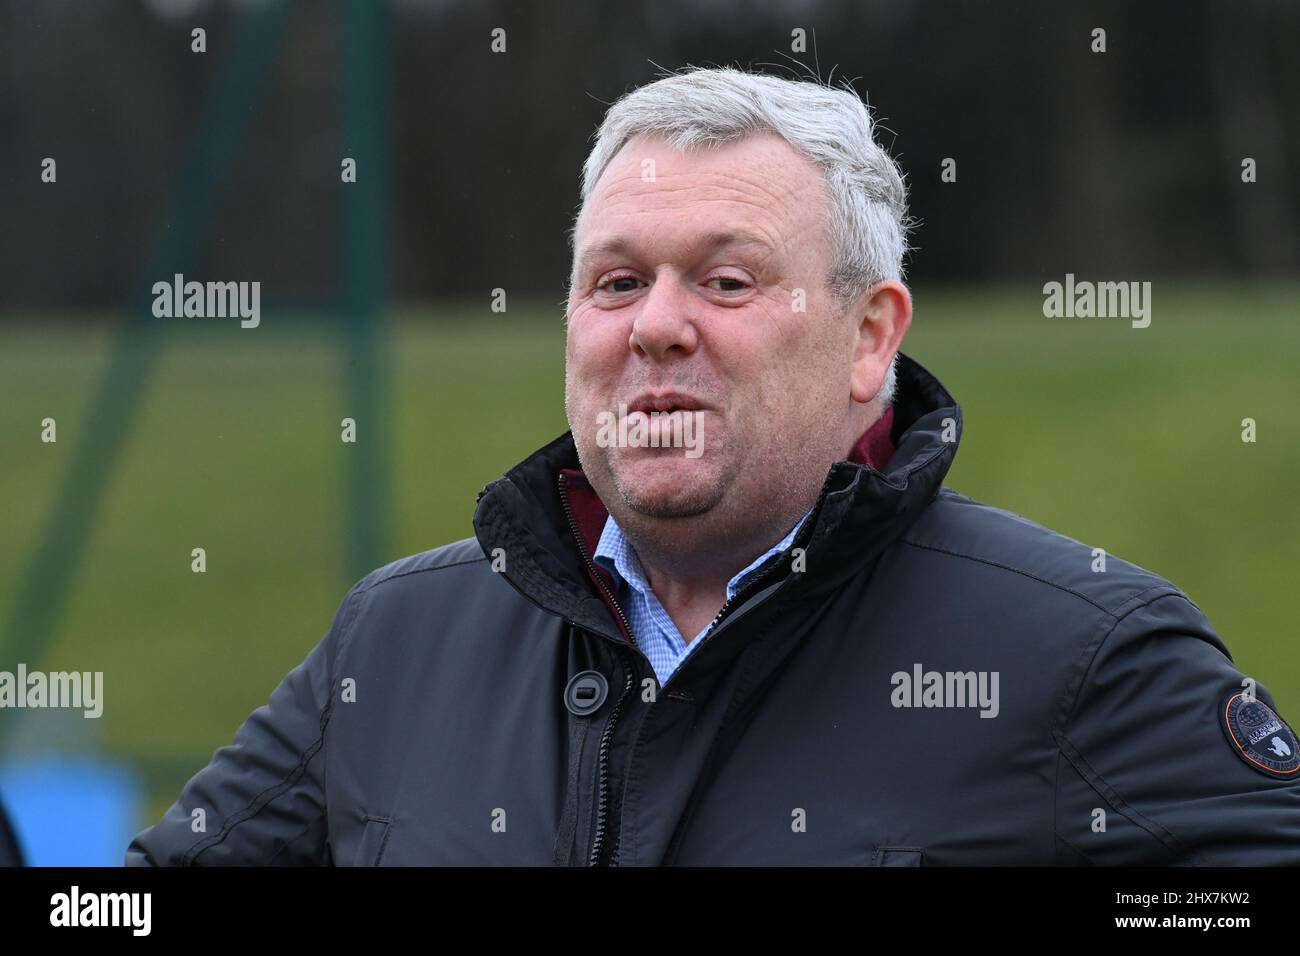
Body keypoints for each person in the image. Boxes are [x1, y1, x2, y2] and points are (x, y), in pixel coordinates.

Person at [126, 66, 1299, 866]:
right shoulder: (396, 639)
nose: (655, 326)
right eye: (618, 281)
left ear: (869, 335)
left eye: (726, 280)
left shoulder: (1086, 657)